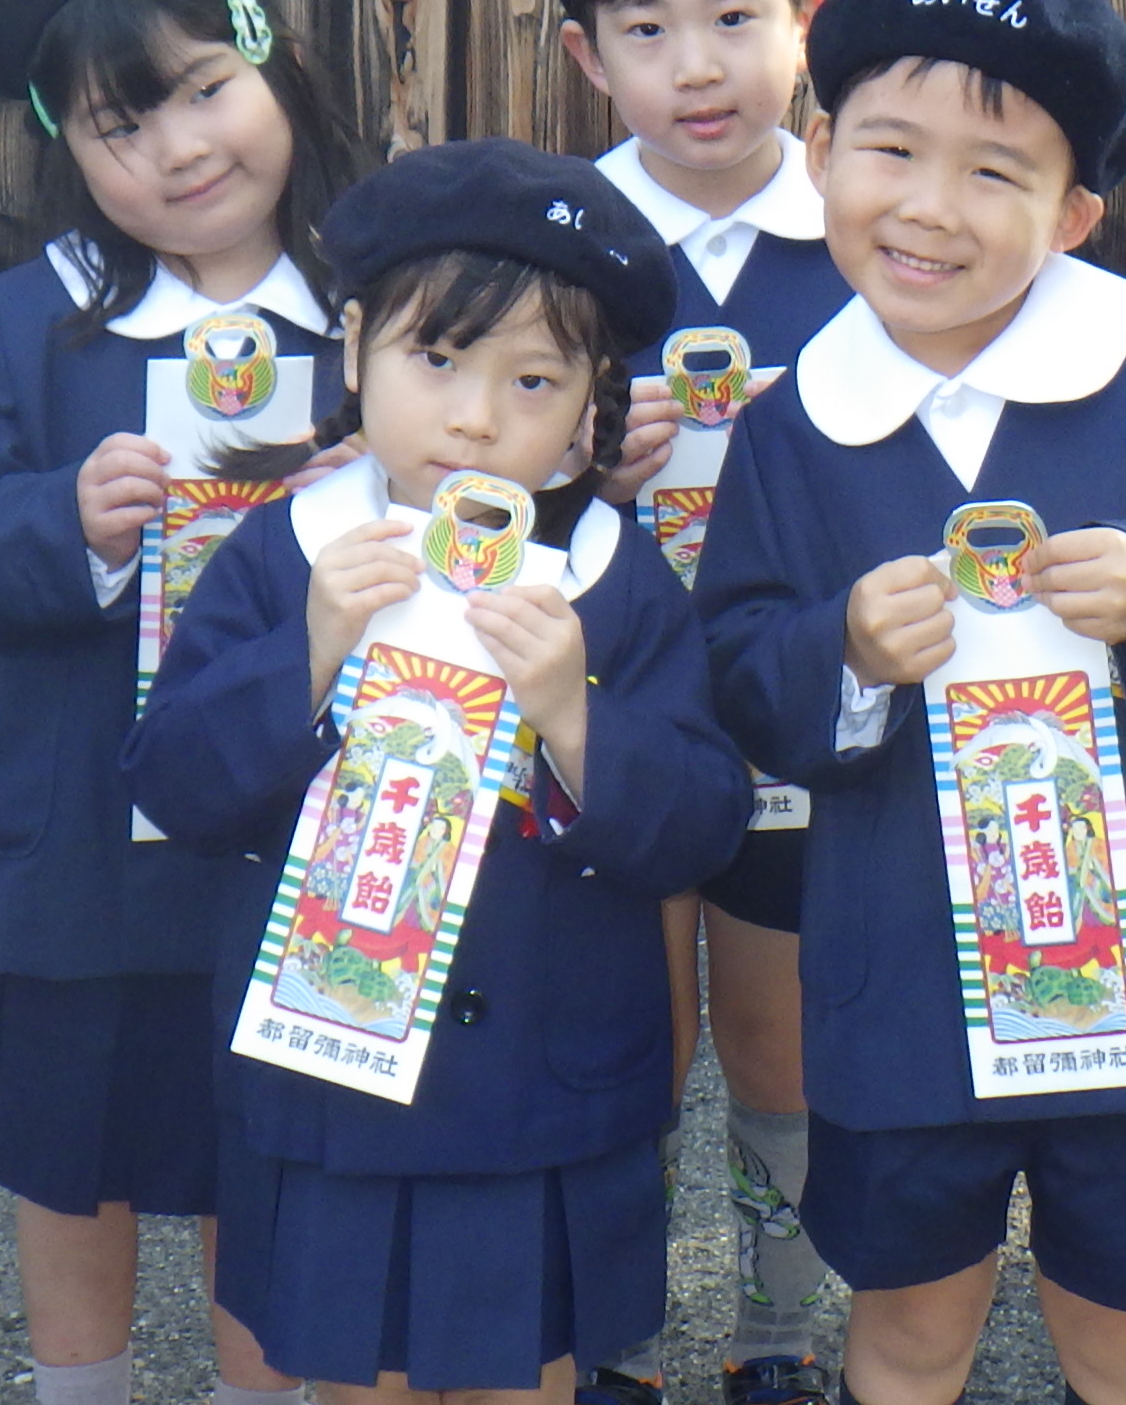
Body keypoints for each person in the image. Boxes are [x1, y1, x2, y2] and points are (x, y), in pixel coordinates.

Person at [691, 0, 1126, 1405]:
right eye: (890, 150)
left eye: (994, 173)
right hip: (906, 972)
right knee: (908, 1322)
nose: (930, 207)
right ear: (821, 155)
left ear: (1072, 215)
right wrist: (844, 650)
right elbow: (738, 667)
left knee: (1125, 1331)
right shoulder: (795, 426)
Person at [131, 141, 755, 1404]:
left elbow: (703, 821)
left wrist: (575, 719)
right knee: (356, 1370)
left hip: (545, 1086)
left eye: (531, 380)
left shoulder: (611, 580)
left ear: (588, 412)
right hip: (335, 1081)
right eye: (437, 359)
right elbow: (174, 781)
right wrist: (308, 652)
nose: (475, 417)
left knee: (530, 1371)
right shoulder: (288, 554)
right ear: (357, 348)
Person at [0, 0, 366, 1405]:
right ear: (67, 149)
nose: (181, 150)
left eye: (207, 90)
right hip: (72, 848)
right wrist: (72, 524)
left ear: (275, 62)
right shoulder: (24, 321)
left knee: (266, 1145)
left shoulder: (382, 306)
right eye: (121, 127)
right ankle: (77, 1386)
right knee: (69, 1156)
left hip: (294, 833)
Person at [548, 0, 851, 1405]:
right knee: (628, 1035)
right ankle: (615, 1336)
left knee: (781, 1036)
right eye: (648, 30)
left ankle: (777, 1334)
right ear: (587, 57)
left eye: (736, 17)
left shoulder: (878, 232)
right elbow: (452, 474)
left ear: (811, 18)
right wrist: (577, 476)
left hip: (806, 708)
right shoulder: (547, 254)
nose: (697, 67)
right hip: (605, 711)